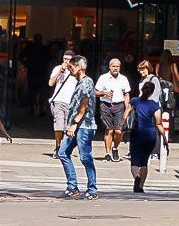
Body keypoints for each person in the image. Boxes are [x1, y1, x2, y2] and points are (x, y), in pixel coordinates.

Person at [50, 57, 96, 198]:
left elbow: (85, 104)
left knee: (85, 157)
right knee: (63, 153)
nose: (70, 70)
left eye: (71, 67)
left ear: (78, 67)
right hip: (75, 126)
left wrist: (75, 123)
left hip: (84, 126)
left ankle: (92, 189)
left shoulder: (86, 82)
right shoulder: (81, 83)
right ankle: (72, 186)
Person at [126, 72, 166, 193]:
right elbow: (158, 123)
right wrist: (165, 138)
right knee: (144, 161)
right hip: (149, 135)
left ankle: (136, 178)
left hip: (136, 134)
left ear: (142, 89)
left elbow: (126, 115)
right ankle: (141, 186)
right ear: (153, 92)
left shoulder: (134, 101)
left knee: (134, 161)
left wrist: (124, 130)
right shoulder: (155, 106)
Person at [96, 57, 133, 163]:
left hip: (119, 106)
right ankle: (107, 153)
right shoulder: (103, 78)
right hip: (106, 105)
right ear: (109, 67)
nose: (115, 68)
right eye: (113, 66)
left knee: (118, 131)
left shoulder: (123, 79)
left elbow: (126, 94)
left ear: (120, 67)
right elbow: (95, 91)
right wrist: (104, 93)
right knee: (109, 130)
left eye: (117, 66)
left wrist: (127, 108)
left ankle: (115, 148)